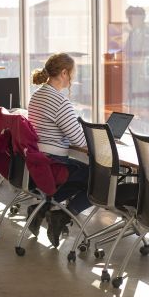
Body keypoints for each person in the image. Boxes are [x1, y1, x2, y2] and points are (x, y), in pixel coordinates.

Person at [27, 52, 91, 248]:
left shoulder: (37, 95)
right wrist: (101, 141)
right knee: (97, 180)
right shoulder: (60, 101)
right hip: (54, 162)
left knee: (81, 175)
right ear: (64, 73)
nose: (74, 77)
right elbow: (80, 140)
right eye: (73, 73)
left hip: (39, 161)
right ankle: (61, 216)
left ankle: (41, 208)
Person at [123, 6, 149, 108]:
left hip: (143, 70)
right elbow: (126, 49)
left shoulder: (148, 32)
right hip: (133, 69)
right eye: (129, 18)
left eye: (132, 18)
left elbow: (146, 52)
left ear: (140, 18)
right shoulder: (133, 32)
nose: (130, 21)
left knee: (142, 95)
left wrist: (135, 59)